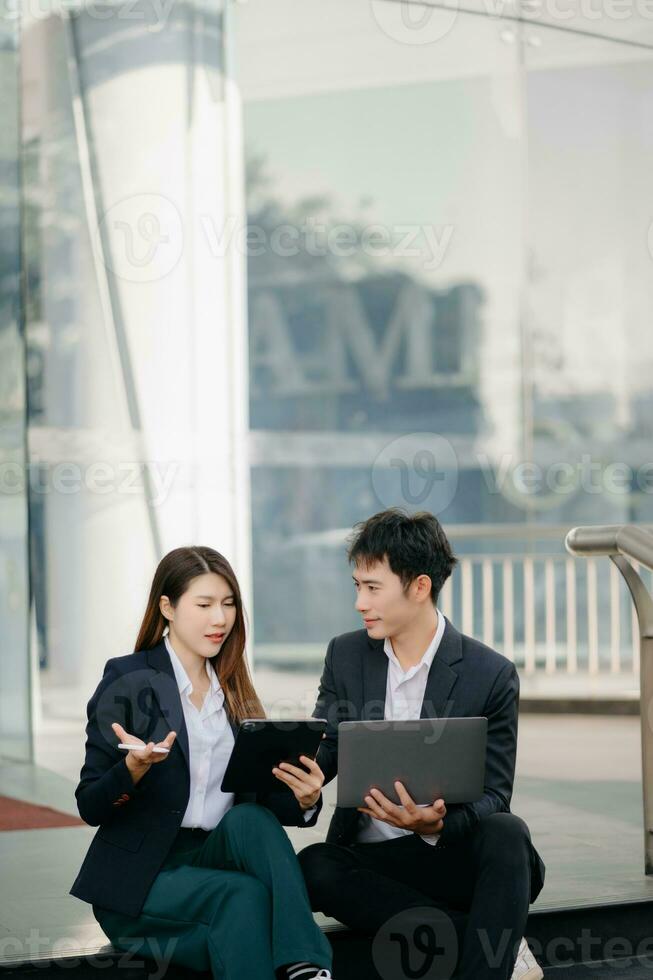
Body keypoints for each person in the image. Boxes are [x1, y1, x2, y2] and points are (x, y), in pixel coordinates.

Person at [298, 509, 546, 980]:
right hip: (375, 862)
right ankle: (498, 946)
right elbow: (328, 744)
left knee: (508, 832)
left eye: (373, 588)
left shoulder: (489, 673)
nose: (359, 602)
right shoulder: (346, 655)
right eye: (357, 586)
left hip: (449, 854)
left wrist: (435, 825)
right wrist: (308, 781)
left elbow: (495, 794)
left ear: (419, 587)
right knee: (314, 866)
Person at [70, 545, 334, 980]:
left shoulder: (233, 689)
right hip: (144, 876)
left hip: (214, 857)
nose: (220, 619)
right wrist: (131, 770)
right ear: (167, 607)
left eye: (228, 604)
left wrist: (305, 800)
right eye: (205, 604)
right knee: (242, 897)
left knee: (251, 820)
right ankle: (304, 963)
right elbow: (90, 804)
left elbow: (264, 802)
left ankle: (304, 961)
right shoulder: (129, 679)